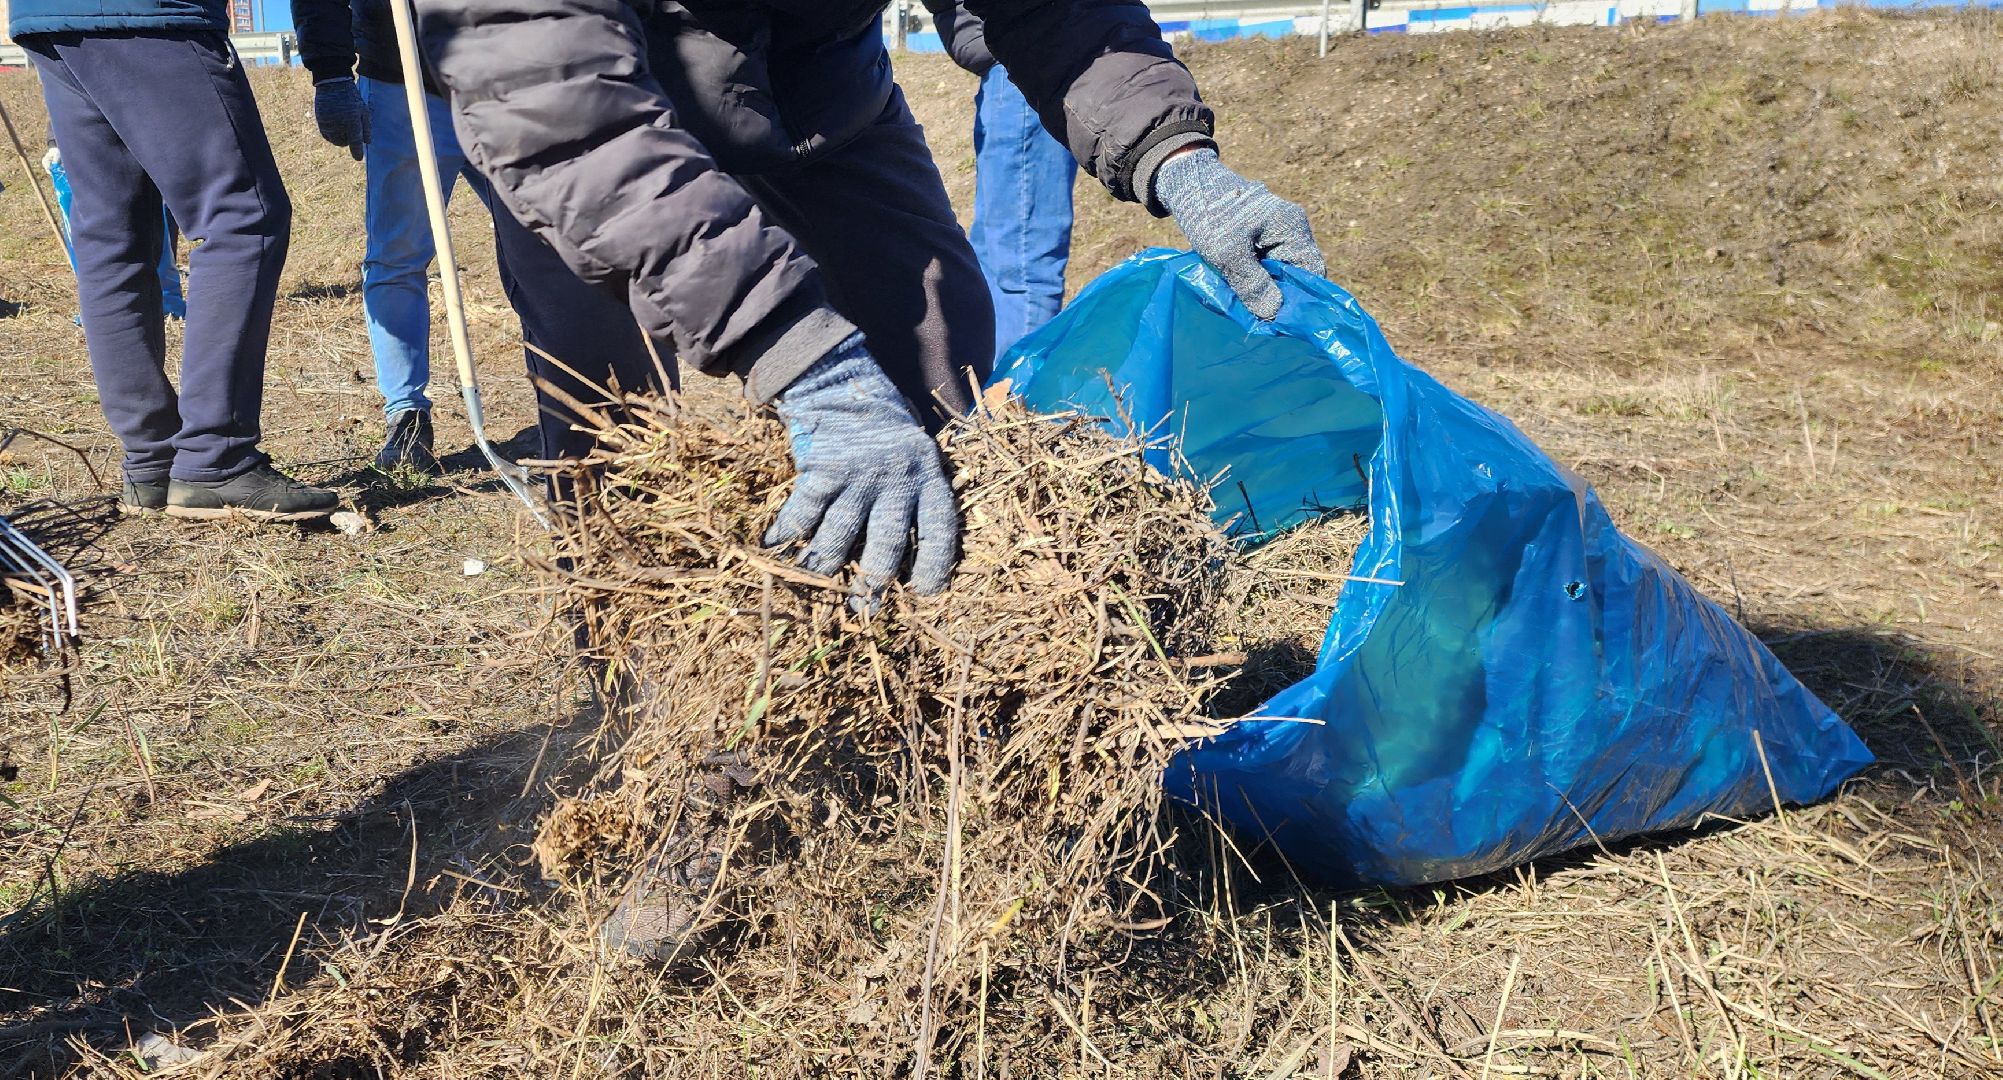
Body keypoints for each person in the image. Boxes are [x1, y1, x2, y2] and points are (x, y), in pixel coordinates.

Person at [411, 0, 1325, 960]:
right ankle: (674, 788)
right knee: (620, 454)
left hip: (817, 95)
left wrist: (1180, 162)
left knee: (938, 367)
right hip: (584, 122)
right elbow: (543, 81)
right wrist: (806, 364)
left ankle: (943, 761)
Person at [291, 0, 666, 475]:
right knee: (397, 255)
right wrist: (330, 71)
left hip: (509, 75)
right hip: (402, 84)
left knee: (551, 245)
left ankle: (579, 403)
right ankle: (406, 415)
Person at [11, 0, 340, 521]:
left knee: (113, 238)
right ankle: (216, 457)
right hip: (150, 15)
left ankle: (152, 462)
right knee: (241, 217)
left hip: (53, 17)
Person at [940, 3, 1077, 357]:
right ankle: (990, 396)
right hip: (1008, 63)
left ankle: (1015, 404)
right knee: (992, 258)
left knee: (1021, 270)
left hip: (1026, 58)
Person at [45, 122, 189, 322]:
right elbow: (64, 95)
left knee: (148, 218)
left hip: (138, 137)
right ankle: (111, 306)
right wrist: (55, 142)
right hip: (86, 143)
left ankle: (163, 299)